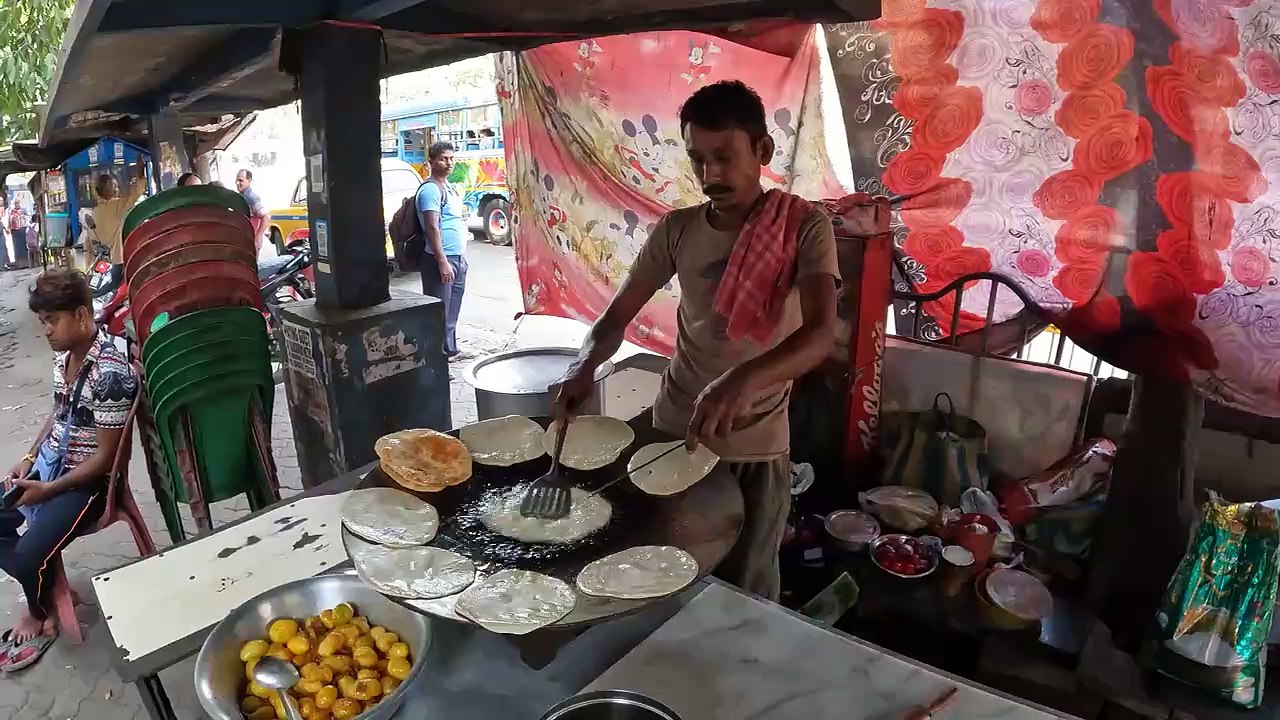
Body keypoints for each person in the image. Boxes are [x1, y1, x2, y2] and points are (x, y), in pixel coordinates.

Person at [552, 81, 841, 601]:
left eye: (725, 157)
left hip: (754, 446)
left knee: (745, 591)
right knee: (659, 575)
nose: (710, 175)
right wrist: (583, 366)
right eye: (698, 159)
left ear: (763, 150)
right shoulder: (678, 230)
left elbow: (821, 334)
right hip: (674, 434)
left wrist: (743, 380)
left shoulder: (804, 227)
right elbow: (614, 320)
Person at [1, 271, 137, 669]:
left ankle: (39, 613)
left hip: (87, 484)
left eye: (52, 320)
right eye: (42, 321)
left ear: (80, 315)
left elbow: (105, 460)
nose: (46, 330)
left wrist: (49, 490)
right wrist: (30, 457)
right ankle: (46, 587)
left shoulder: (110, 374)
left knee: (29, 556)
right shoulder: (65, 359)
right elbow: (58, 415)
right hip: (52, 467)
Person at [417, 142, 471, 362]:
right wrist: (442, 262)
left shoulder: (448, 187)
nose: (449, 163)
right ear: (431, 162)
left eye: (451, 158)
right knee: (438, 314)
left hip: (457, 258)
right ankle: (436, 363)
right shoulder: (430, 189)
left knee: (451, 311)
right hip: (440, 260)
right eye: (443, 159)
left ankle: (450, 351)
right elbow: (431, 227)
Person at [88, 160, 147, 265]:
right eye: (116, 187)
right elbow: (138, 190)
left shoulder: (95, 212)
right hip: (118, 261)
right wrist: (140, 171)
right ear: (114, 190)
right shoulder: (118, 206)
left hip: (101, 263)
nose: (118, 189)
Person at [235, 169, 270, 251]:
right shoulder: (240, 197)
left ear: (249, 181)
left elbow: (266, 217)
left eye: (241, 180)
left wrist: (258, 236)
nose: (237, 183)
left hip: (251, 241)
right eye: (236, 180)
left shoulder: (252, 198)